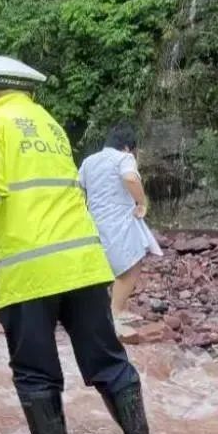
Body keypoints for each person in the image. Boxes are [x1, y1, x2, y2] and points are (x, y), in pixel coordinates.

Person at [0, 56, 160, 434]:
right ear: (28, 93)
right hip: (83, 265)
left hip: (31, 272)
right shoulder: (50, 127)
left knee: (35, 371)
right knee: (108, 360)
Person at [78, 123, 162, 325]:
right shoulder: (124, 158)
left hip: (94, 220)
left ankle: (107, 309)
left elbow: (78, 188)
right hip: (119, 220)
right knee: (130, 265)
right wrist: (141, 202)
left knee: (105, 266)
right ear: (127, 147)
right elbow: (131, 178)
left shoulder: (89, 161)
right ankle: (116, 311)